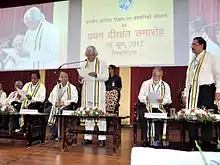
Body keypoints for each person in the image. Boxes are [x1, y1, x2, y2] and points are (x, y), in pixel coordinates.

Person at [184, 37, 220, 151]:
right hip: (193, 91)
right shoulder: (192, 59)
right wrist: (186, 93)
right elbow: (188, 78)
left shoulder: (211, 57)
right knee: (191, 115)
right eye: (192, 44)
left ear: (201, 45)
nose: (192, 46)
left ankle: (206, 142)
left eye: (194, 44)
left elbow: (217, 74)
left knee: (206, 117)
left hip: (206, 90)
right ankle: (193, 141)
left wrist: (218, 90)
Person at [78, 45, 108, 147]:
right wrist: (80, 78)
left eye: (91, 54)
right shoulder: (84, 65)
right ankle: (88, 138)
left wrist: (96, 75)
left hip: (98, 94)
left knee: (101, 116)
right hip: (87, 93)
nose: (90, 57)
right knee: (88, 115)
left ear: (95, 54)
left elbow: (106, 77)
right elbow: (82, 81)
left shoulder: (102, 63)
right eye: (88, 55)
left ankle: (102, 139)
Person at [138, 67, 172, 147]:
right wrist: (146, 98)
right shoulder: (145, 84)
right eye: (154, 75)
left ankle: (156, 139)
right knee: (142, 115)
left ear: (161, 76)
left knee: (158, 116)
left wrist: (163, 101)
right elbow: (140, 97)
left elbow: (169, 99)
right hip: (147, 105)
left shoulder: (165, 86)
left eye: (158, 76)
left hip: (159, 106)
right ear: (152, 74)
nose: (156, 78)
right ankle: (145, 138)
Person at [48, 71, 78, 140]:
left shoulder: (72, 87)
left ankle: (61, 134)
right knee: (47, 110)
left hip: (67, 106)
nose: (64, 78)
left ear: (68, 78)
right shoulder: (56, 87)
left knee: (61, 112)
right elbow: (50, 97)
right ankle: (55, 132)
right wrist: (55, 103)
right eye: (62, 77)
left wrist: (64, 102)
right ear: (59, 78)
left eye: (65, 77)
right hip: (56, 105)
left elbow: (75, 99)